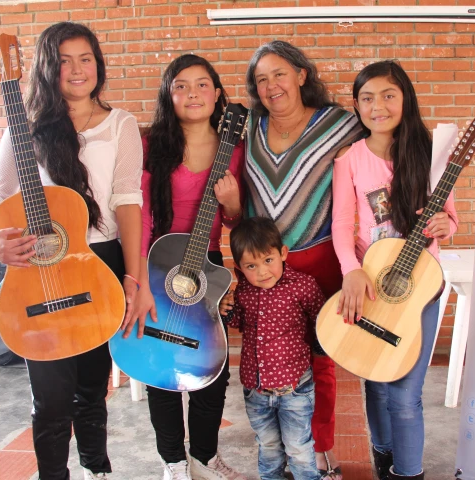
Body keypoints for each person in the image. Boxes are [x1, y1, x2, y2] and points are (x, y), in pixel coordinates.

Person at [0, 22, 143, 480]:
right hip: (41, 268)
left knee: (91, 388)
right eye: (64, 60)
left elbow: (128, 204)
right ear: (48, 69)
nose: (77, 69)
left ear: (98, 63)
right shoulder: (24, 130)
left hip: (100, 263)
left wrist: (135, 277)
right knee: (50, 397)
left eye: (85, 58)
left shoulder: (120, 124)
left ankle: (96, 470)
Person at [240, 40, 364, 479]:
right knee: (269, 355)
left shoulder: (340, 125)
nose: (271, 85)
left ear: (301, 74)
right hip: (263, 266)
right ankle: (281, 450)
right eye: (261, 79)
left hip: (318, 257)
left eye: (279, 74)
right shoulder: (249, 126)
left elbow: (382, 162)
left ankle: (321, 447)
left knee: (319, 356)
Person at [331, 61, 459, 480]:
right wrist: (351, 270)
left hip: (421, 287)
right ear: (356, 105)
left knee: (404, 395)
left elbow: (451, 218)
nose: (378, 106)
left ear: (405, 97)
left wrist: (446, 225)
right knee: (374, 379)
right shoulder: (349, 159)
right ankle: (383, 453)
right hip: (372, 283)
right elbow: (340, 224)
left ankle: (408, 473)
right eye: (367, 98)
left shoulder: (431, 151)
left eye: (388, 95)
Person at [129, 54, 246, 480]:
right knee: (160, 368)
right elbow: (138, 213)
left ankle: (205, 457)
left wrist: (232, 202)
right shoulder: (148, 145)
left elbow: (235, 218)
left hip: (206, 266)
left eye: (202, 85)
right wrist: (138, 276)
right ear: (168, 93)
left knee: (211, 369)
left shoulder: (235, 149)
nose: (192, 93)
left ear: (217, 94)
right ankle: (173, 463)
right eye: (181, 85)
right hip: (157, 264)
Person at [225, 217, 325, 480]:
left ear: (282, 253)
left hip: (295, 389)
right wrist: (227, 310)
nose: (262, 272)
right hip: (256, 390)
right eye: (251, 265)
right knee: (268, 446)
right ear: (239, 268)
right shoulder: (244, 291)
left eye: (268, 260)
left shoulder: (302, 286)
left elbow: (322, 321)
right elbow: (238, 323)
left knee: (299, 448)